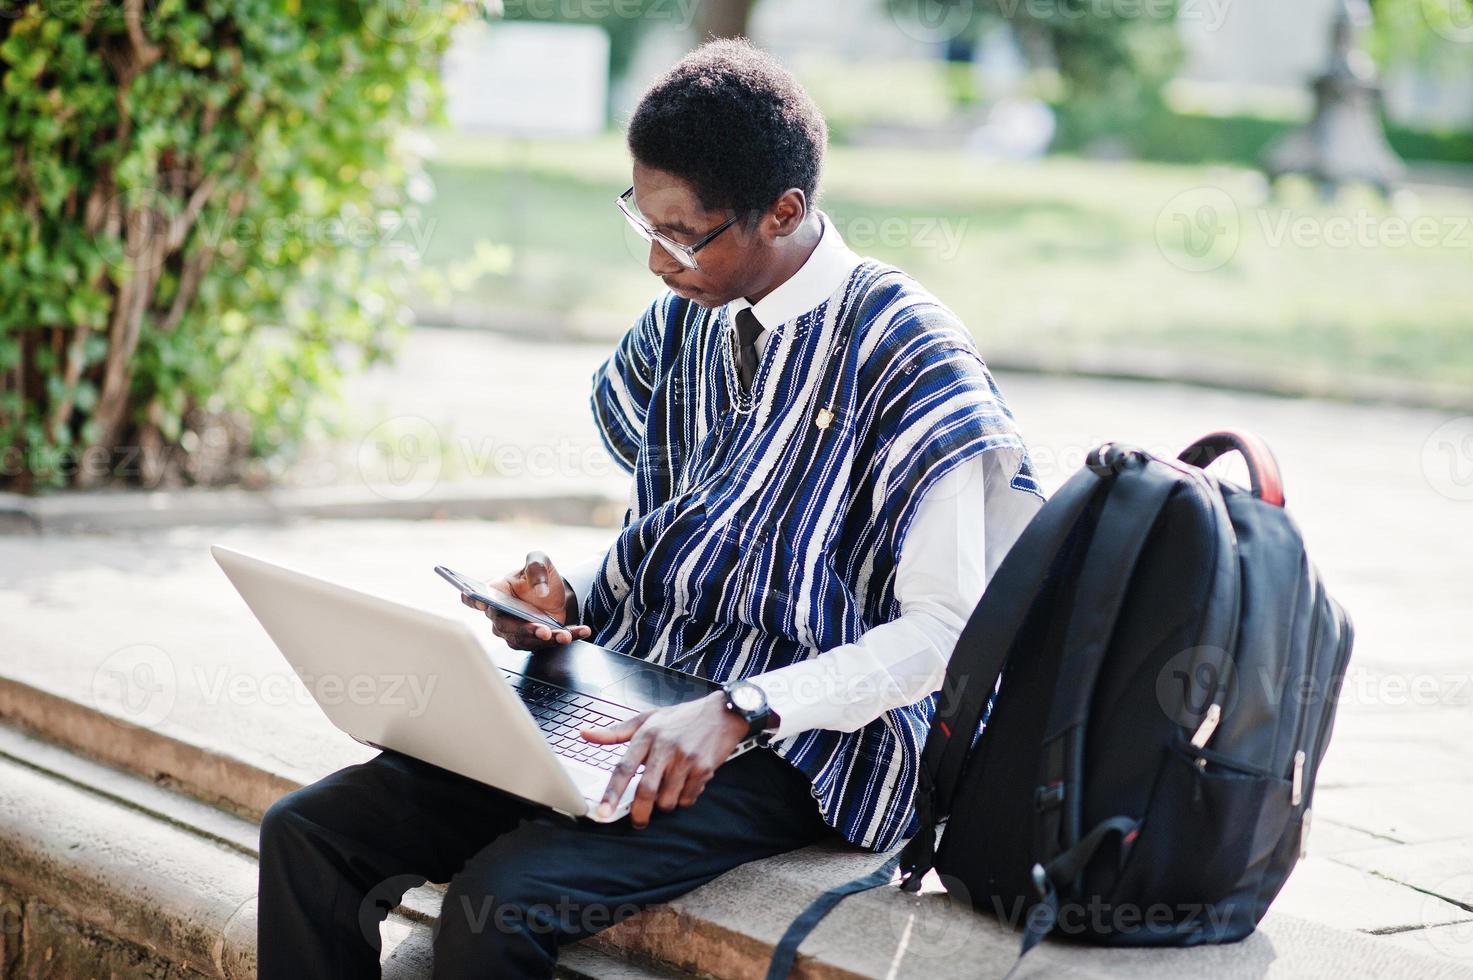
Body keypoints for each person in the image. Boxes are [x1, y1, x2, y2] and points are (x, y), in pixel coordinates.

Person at [256, 38, 1044, 979]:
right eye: (645, 223)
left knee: (496, 908)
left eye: (684, 235)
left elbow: (945, 635)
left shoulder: (908, 351)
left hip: (803, 744)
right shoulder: (687, 317)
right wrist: (566, 597)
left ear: (784, 211)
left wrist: (741, 710)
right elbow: (690, 536)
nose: (659, 264)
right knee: (306, 833)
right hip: (634, 685)